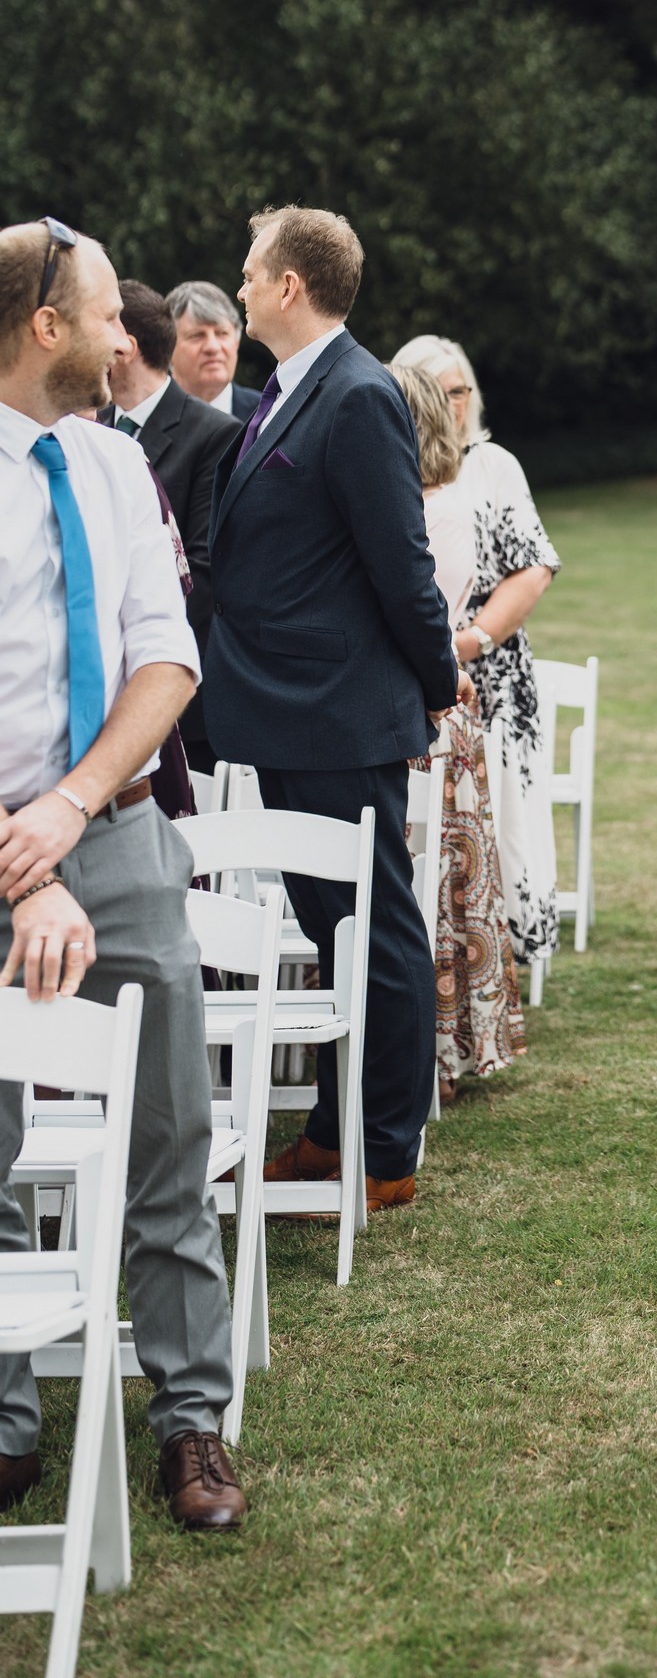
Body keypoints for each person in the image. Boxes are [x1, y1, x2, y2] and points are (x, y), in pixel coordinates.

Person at [0, 218, 245, 1529]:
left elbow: (167, 658)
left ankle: (192, 1418)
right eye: (104, 317)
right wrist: (22, 858)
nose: (125, 338)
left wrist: (78, 805)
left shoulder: (114, 466)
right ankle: (2, 1419)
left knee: (170, 1130)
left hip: (124, 832)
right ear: (47, 327)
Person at [205, 208, 462, 1210]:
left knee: (377, 930)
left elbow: (401, 562)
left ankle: (386, 1149)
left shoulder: (357, 395)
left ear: (290, 287)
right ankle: (328, 1125)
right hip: (284, 707)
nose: (238, 287)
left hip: (341, 708)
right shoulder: (286, 391)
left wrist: (435, 682)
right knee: (331, 928)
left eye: (249, 272)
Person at [391, 335, 562, 971]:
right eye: (434, 391)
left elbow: (535, 566)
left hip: (492, 667)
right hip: (420, 669)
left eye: (458, 389)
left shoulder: (494, 465)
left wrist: (465, 642)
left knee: (505, 818)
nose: (450, 403)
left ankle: (504, 958)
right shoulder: (388, 464)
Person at [390, 363, 527, 1095]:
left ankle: (442, 1053)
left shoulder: (441, 512)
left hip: (430, 717)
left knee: (441, 885)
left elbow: (423, 626)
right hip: (426, 703)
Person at [106, 280, 241, 772]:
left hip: (183, 692)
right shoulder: (92, 425)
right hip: (102, 690)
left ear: (126, 347)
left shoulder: (215, 433)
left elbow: (204, 574)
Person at [166, 278, 262, 422]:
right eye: (196, 335)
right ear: (167, 347)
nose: (213, 347)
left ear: (236, 342)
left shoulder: (268, 413)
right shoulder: (143, 416)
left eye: (222, 333)